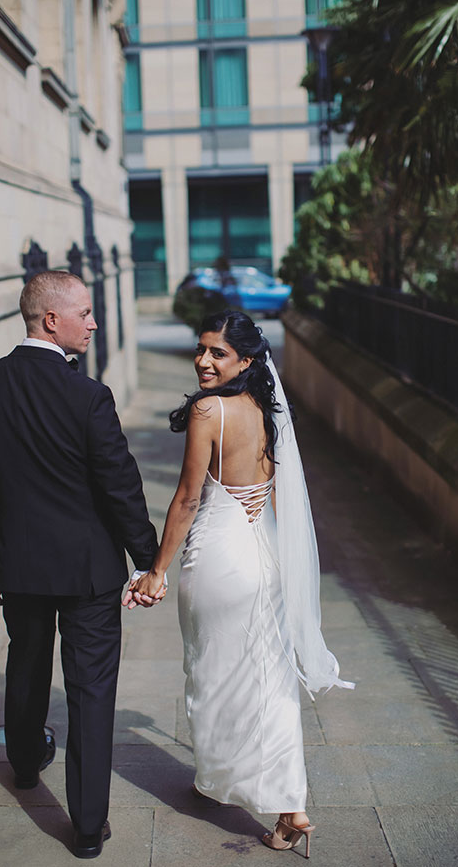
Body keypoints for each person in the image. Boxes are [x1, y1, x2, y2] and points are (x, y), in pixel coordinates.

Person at [123, 310, 353, 858]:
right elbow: (275, 496)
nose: (203, 361)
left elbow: (187, 499)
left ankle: (227, 777)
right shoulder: (268, 410)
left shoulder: (210, 411)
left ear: (246, 360)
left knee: (212, 673)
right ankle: (286, 806)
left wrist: (156, 571)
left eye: (217, 353)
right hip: (262, 559)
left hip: (218, 560)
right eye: (201, 350)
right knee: (269, 682)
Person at [0, 270, 158, 860]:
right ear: (52, 320)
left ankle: (23, 765)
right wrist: (147, 559)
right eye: (86, 313)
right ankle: (88, 826)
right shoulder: (88, 395)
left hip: (16, 567)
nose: (94, 323)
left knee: (25, 662)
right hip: (88, 572)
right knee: (92, 692)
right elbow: (120, 485)